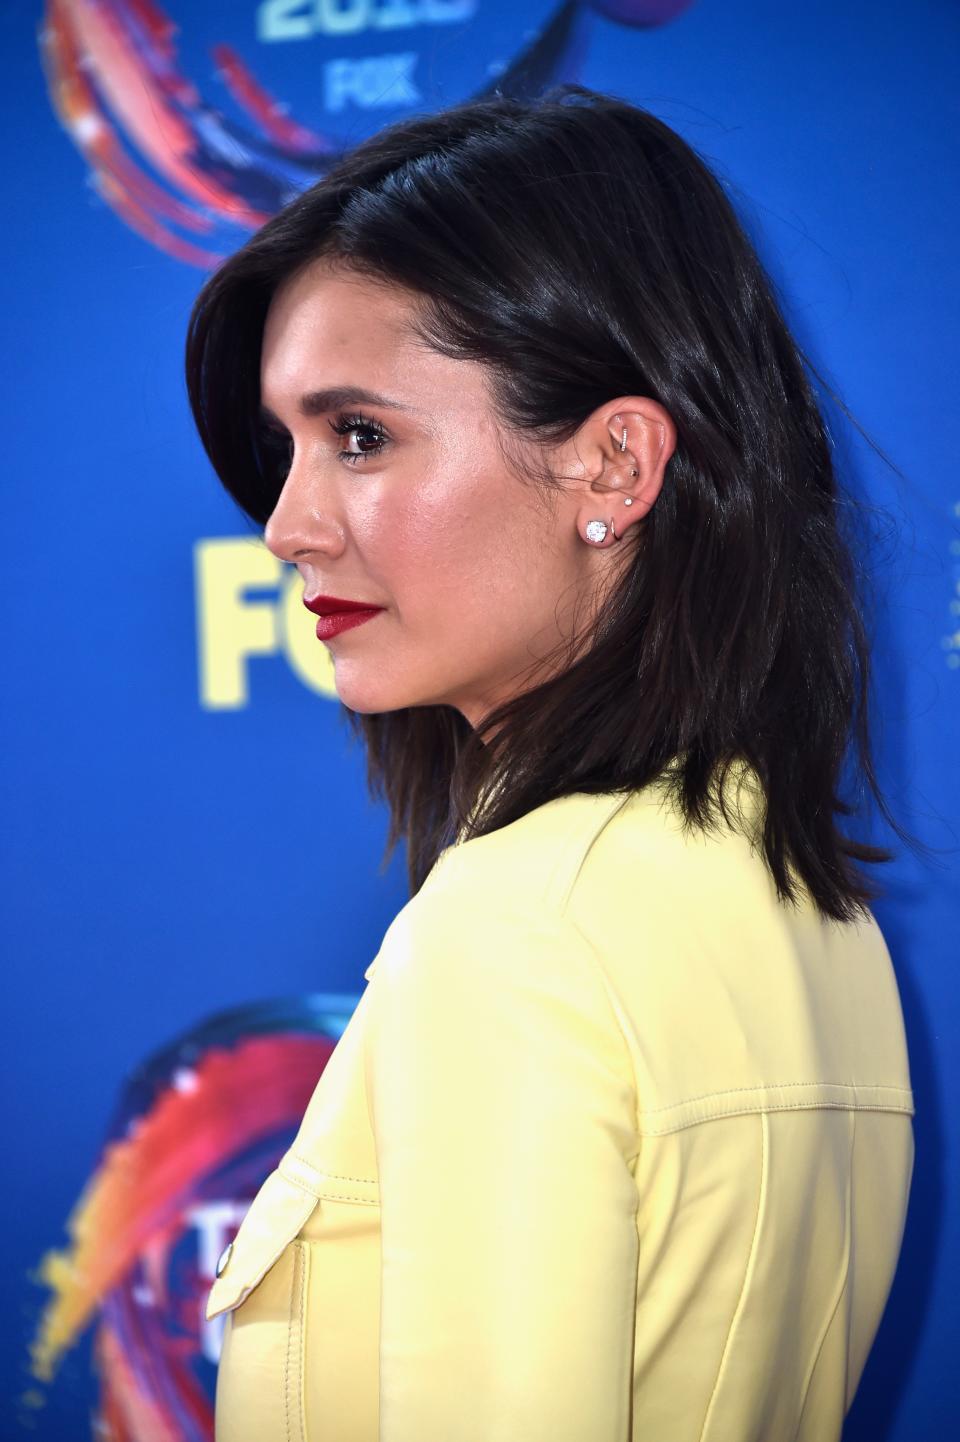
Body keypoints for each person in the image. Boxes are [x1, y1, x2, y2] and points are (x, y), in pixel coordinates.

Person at [184, 84, 915, 1442]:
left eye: (360, 435)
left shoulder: (517, 928)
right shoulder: (804, 901)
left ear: (613, 463)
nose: (285, 524)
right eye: (286, 448)